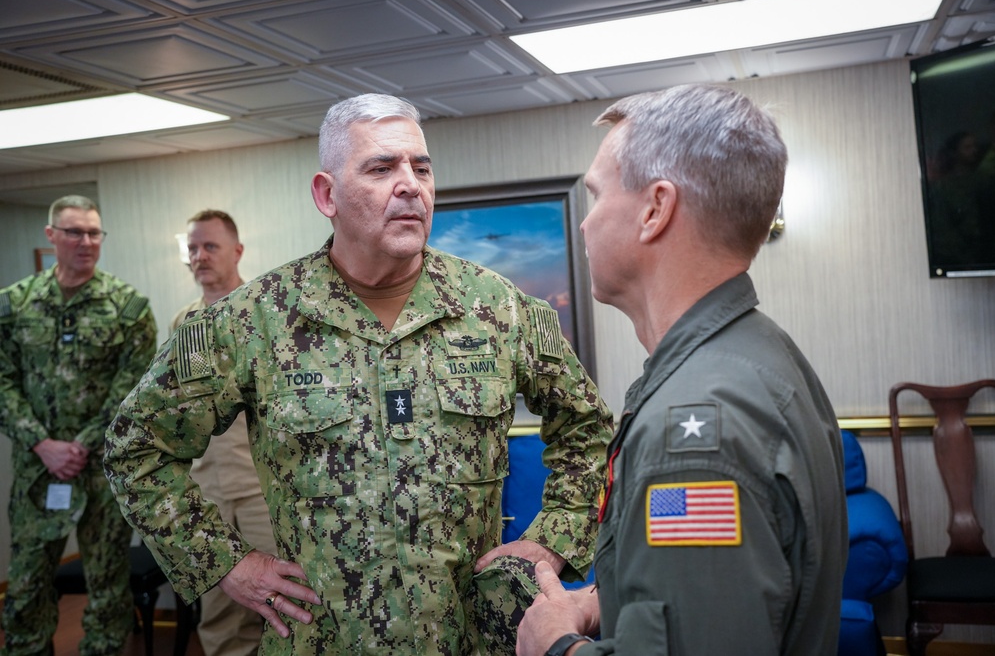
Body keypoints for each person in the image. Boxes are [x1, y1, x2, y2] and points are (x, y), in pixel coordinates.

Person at [104, 93, 614, 655]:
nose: (410, 185)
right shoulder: (250, 322)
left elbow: (587, 426)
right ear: (327, 195)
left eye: (421, 168)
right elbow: (136, 448)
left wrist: (554, 537)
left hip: (469, 638)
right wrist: (226, 563)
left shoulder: (500, 308)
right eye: (381, 167)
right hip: (327, 639)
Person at [516, 84, 848, 656]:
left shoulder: (692, 430)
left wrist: (555, 646)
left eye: (596, 196)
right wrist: (606, 601)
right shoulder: (758, 351)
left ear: (655, 209)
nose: (584, 224)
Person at [0, 195, 158, 655]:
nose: (86, 241)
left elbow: (131, 393)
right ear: (51, 236)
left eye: (94, 232)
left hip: (101, 473)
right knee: (26, 588)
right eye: (74, 232)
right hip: (36, 473)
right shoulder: (13, 305)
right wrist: (41, 444)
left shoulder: (129, 308)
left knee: (109, 590)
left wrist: (79, 447)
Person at [170, 210, 277, 656]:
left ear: (237, 251)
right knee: (219, 614)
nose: (199, 256)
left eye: (210, 246)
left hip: (262, 489)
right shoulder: (184, 324)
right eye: (192, 248)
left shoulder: (265, 312)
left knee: (282, 604)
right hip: (208, 489)